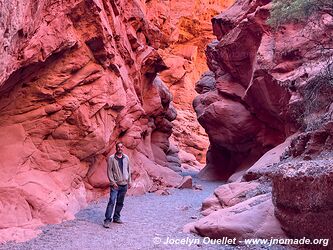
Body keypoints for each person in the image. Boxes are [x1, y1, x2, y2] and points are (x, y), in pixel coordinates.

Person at [104, 142, 131, 228]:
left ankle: (116, 217)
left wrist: (129, 181)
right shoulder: (112, 158)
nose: (120, 148)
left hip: (124, 184)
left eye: (121, 147)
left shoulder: (126, 158)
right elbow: (109, 171)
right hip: (115, 185)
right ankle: (107, 220)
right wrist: (112, 182)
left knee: (120, 202)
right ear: (116, 148)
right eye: (118, 147)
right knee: (112, 201)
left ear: (123, 148)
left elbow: (128, 170)